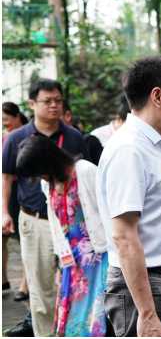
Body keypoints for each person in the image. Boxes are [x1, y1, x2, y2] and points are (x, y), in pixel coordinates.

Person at [97, 56, 161, 337]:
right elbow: (124, 236)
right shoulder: (130, 150)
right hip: (147, 289)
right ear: (158, 96)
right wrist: (147, 314)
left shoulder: (153, 146)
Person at [2, 79, 88, 337]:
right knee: (40, 288)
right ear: (32, 104)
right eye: (47, 101)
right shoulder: (16, 138)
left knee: (76, 285)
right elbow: (5, 177)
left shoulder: (74, 137)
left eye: (58, 101)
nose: (54, 106)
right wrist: (4, 212)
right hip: (34, 220)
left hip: (71, 224)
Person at [15, 135, 108, 336]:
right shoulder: (46, 184)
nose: (40, 177)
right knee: (73, 318)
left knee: (96, 316)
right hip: (71, 260)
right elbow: (58, 225)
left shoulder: (85, 171)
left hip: (98, 255)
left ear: (48, 160)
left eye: (39, 171)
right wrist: (61, 261)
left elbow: (107, 213)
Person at [2, 102, 29, 298]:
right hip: (6, 191)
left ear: (17, 116)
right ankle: (3, 280)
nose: (5, 124)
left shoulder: (25, 137)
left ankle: (24, 284)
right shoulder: (6, 138)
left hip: (22, 193)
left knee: (24, 239)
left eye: (6, 120)